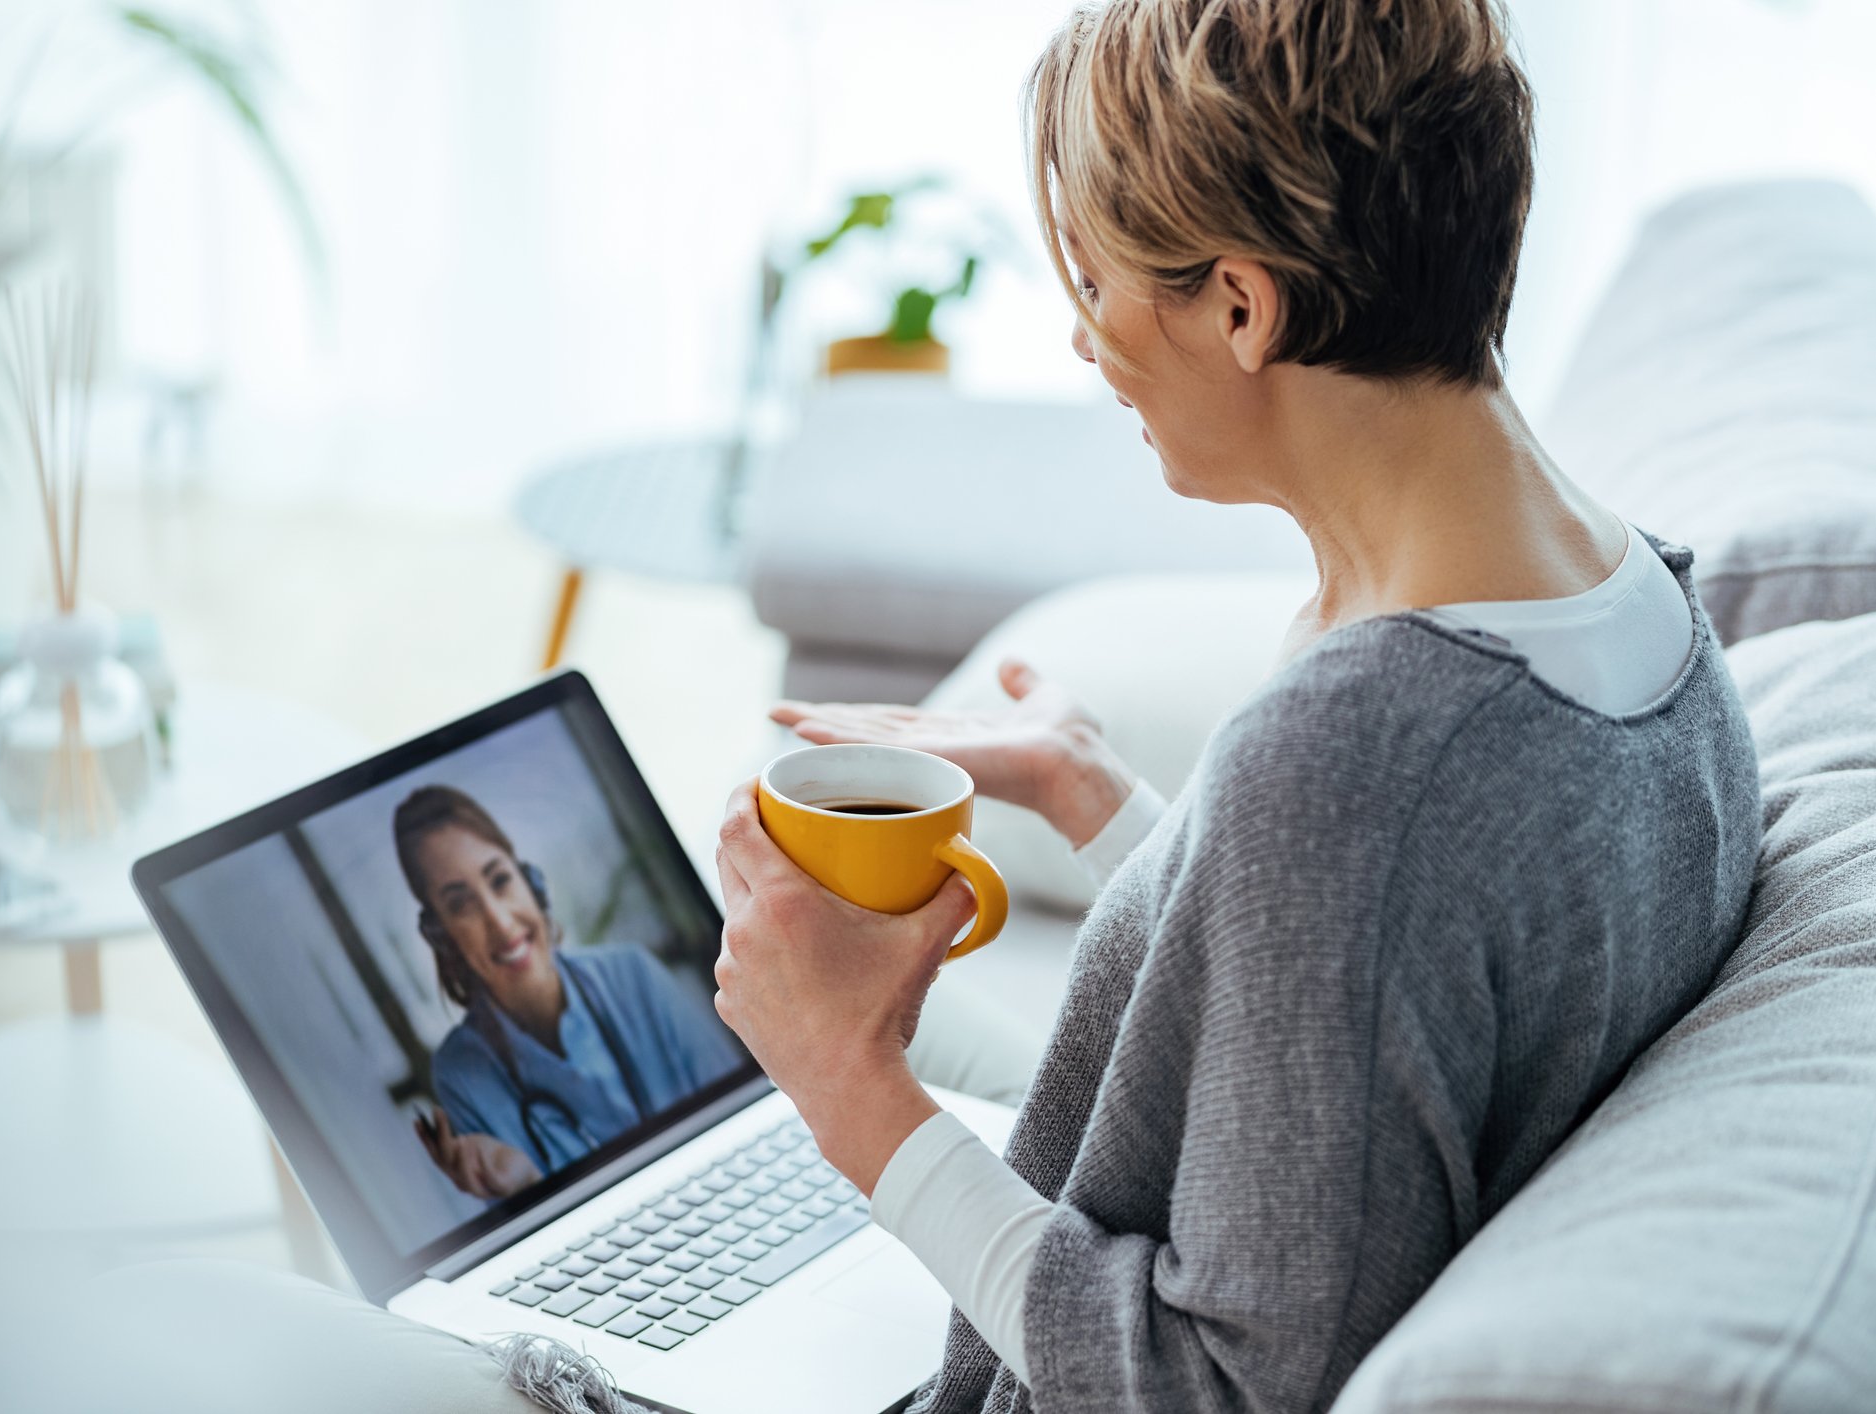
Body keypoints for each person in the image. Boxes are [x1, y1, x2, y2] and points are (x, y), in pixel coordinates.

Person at [709, 2, 1761, 1411]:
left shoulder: (1358, 757)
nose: (1086, 344)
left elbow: (1218, 1382)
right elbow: (1365, 990)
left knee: (723, 1003)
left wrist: (851, 1084)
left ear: (1241, 304)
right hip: (1116, 1209)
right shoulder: (1634, 602)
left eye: (1094, 284)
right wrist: (1102, 797)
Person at [393, 784, 744, 1201]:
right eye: (461, 905)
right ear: (441, 936)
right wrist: (525, 1186)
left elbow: (741, 1116)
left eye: (500, 880)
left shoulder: (632, 974)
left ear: (531, 882)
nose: (501, 924)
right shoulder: (463, 1074)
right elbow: (525, 1234)